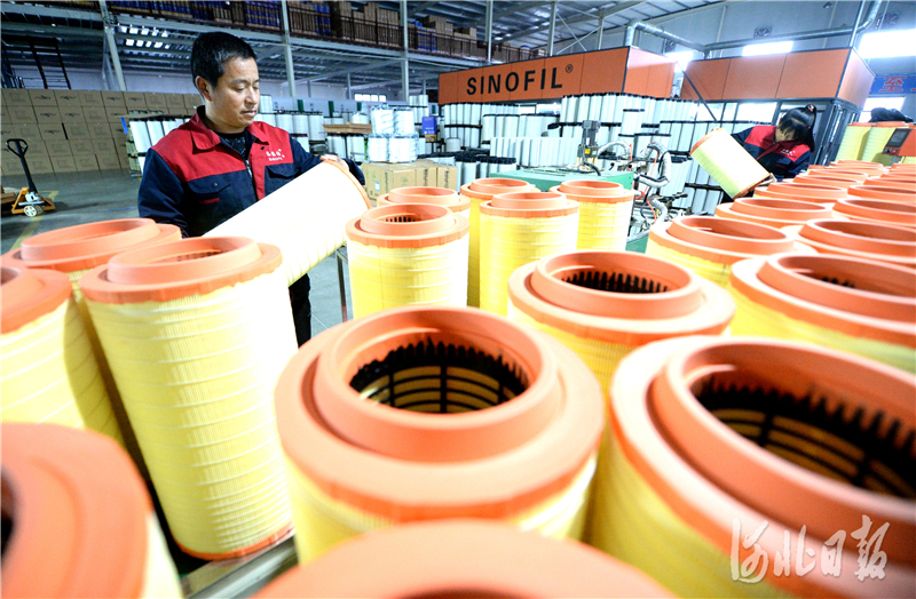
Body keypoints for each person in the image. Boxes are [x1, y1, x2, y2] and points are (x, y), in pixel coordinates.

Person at [138, 32, 363, 346]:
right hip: (228, 303)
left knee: (296, 361)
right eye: (239, 87)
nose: (252, 98)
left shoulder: (278, 141)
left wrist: (343, 166)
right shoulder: (171, 156)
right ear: (205, 87)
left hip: (290, 290)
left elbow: (320, 176)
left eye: (256, 86)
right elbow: (163, 240)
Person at [731, 105, 817, 180]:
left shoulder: (802, 151)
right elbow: (728, 143)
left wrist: (775, 183)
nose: (782, 137)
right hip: (735, 181)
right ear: (779, 121)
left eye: (788, 136)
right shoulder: (756, 131)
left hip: (764, 191)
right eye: (781, 131)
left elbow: (793, 182)